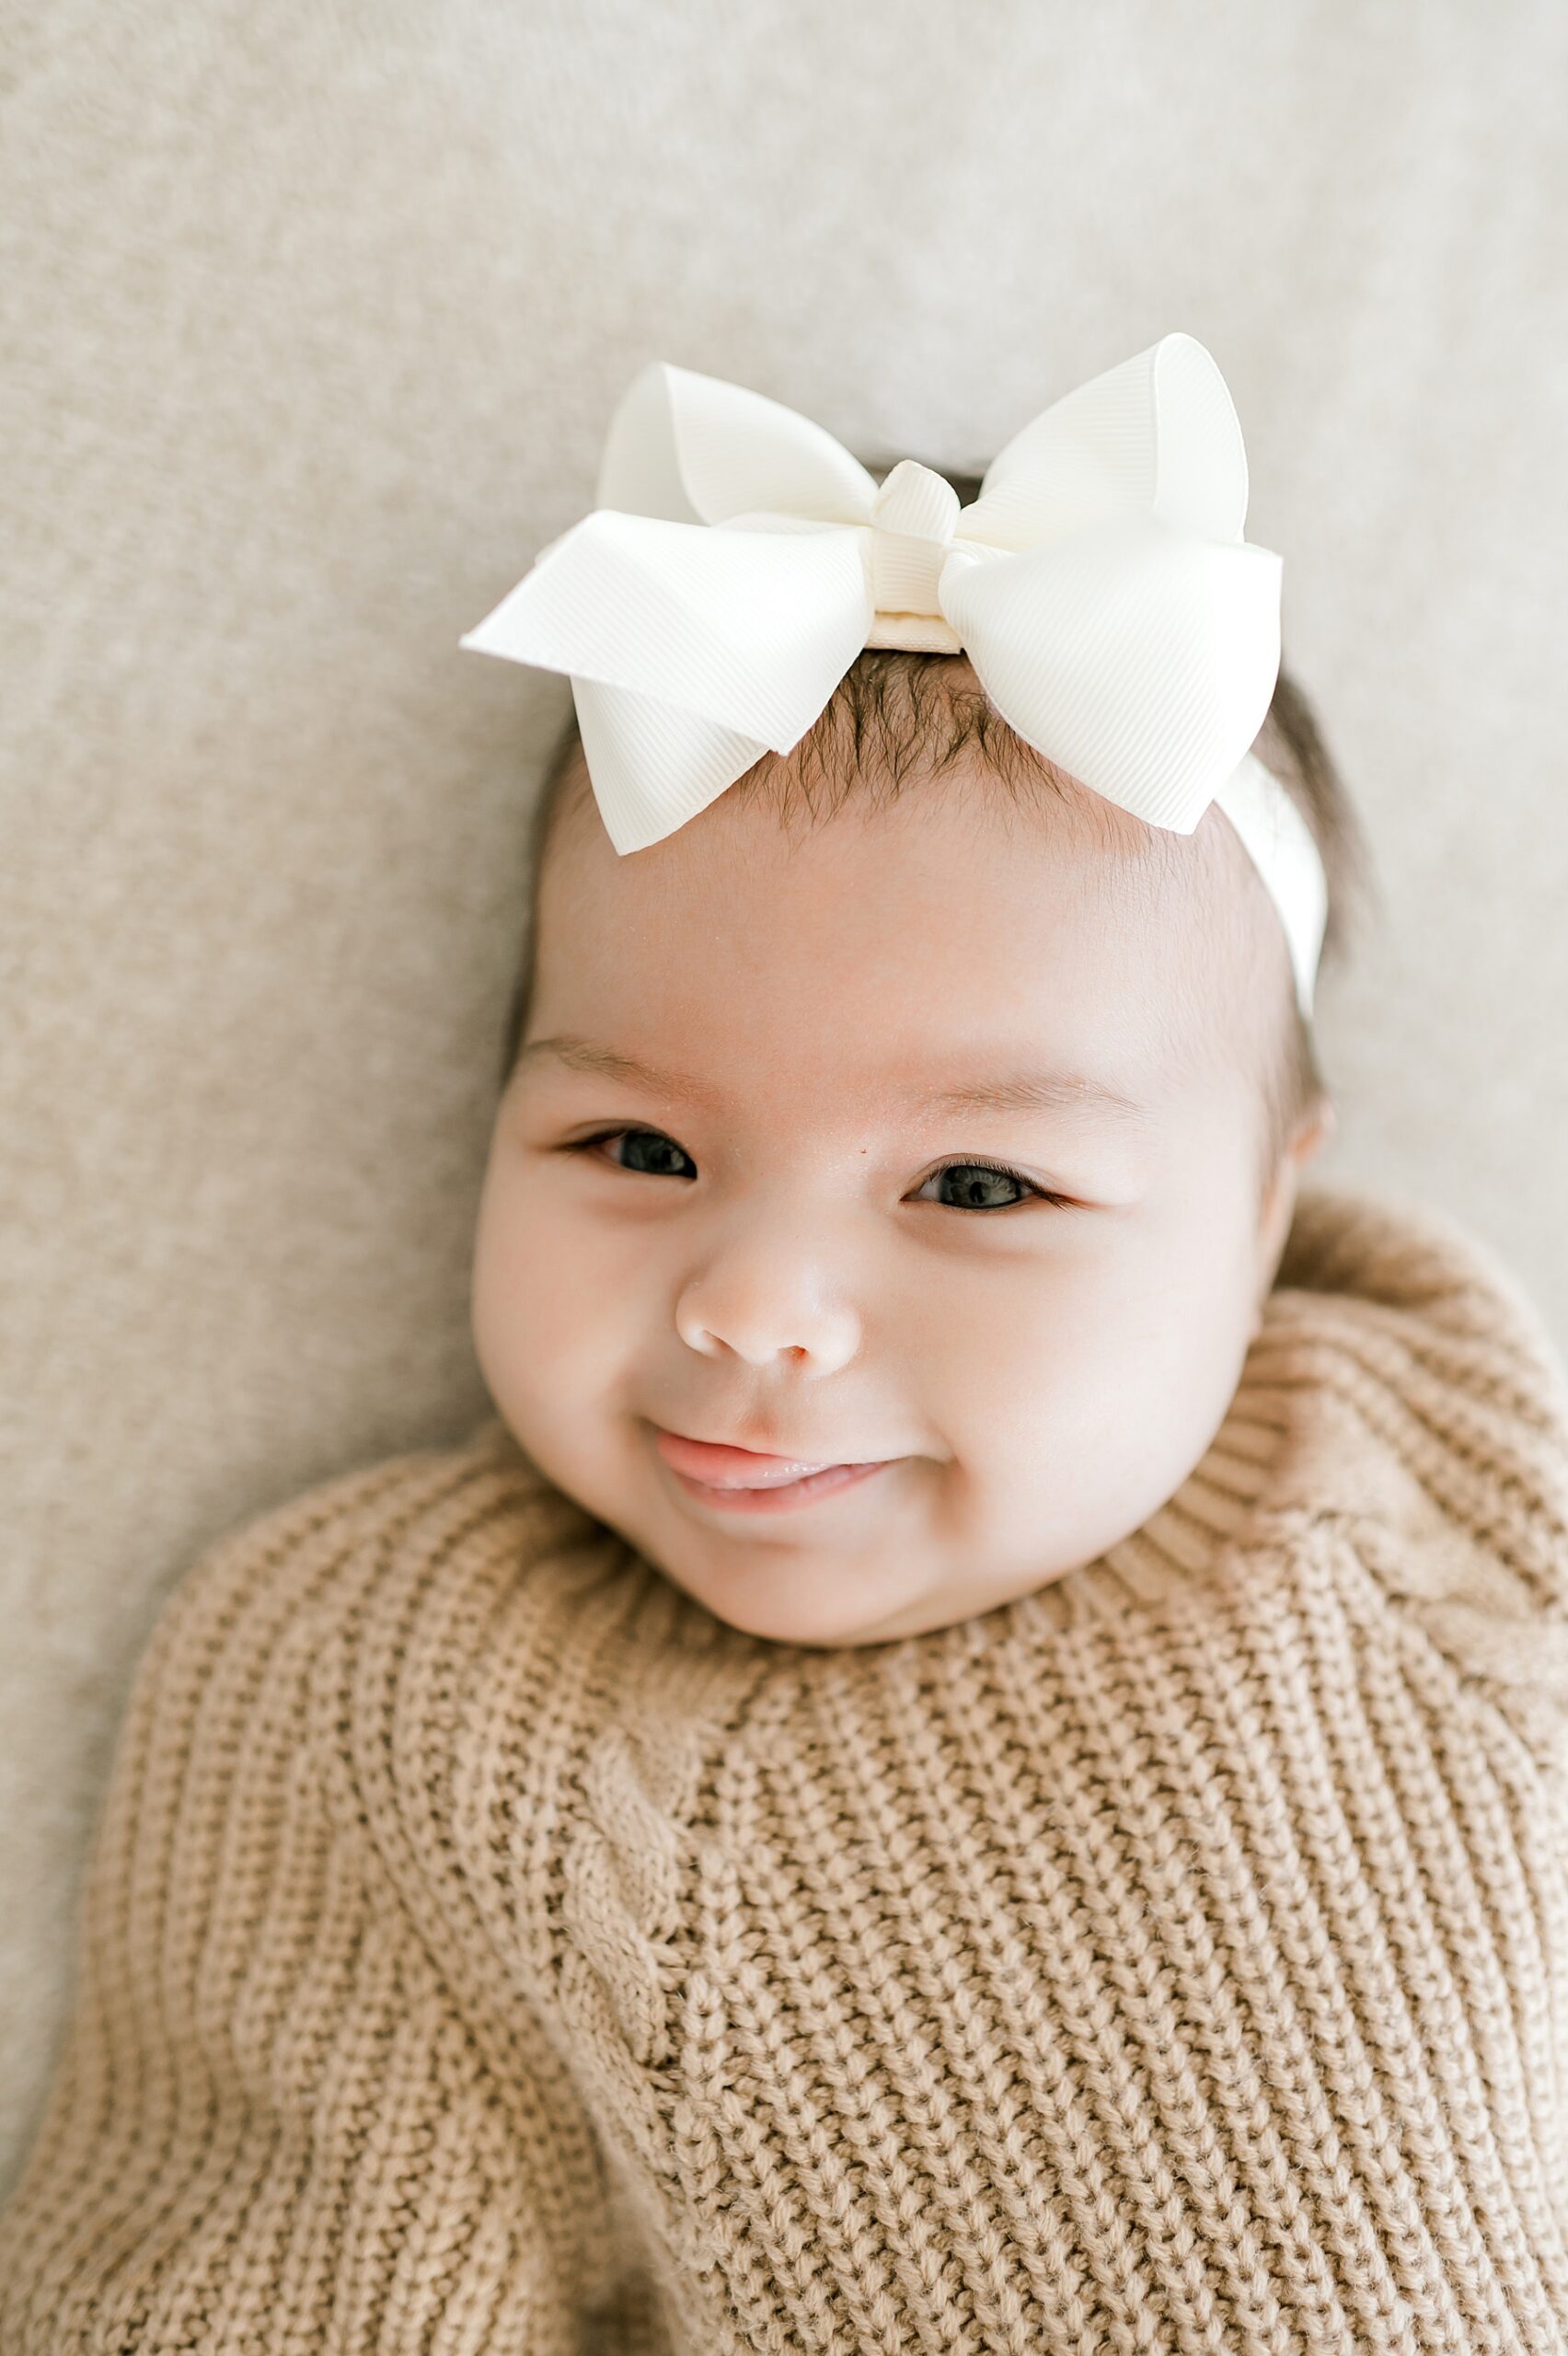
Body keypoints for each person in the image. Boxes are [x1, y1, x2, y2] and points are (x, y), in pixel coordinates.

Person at [6, 339, 1568, 2351]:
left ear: (1265, 1207)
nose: (755, 1302)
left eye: (980, 1187)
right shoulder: (383, 1682)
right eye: (634, 1144)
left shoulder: (1444, 1442)